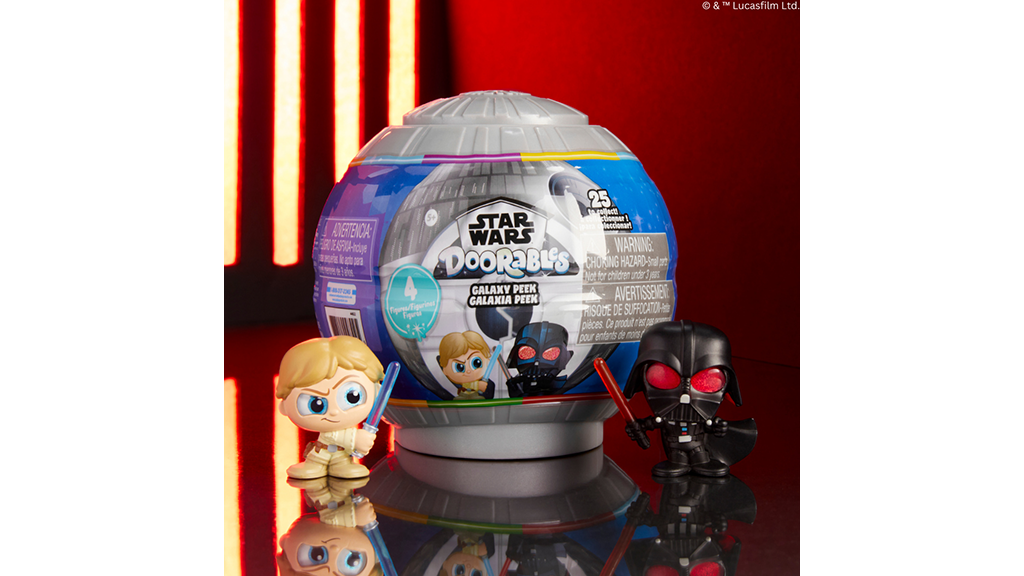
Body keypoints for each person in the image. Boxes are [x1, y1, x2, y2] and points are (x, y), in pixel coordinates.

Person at [276, 336, 383, 479]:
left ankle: (342, 465)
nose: (333, 412)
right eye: (315, 404)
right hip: (319, 454)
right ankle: (315, 466)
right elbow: (332, 436)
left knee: (342, 465)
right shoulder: (339, 434)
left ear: (377, 392)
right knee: (315, 465)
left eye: (352, 397)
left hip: (341, 456)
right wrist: (355, 438)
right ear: (284, 406)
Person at [437, 331, 493, 400]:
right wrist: (477, 385)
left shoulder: (490, 386)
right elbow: (465, 385)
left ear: (487, 361)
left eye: (476, 363)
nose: (468, 371)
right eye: (459, 367)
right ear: (445, 370)